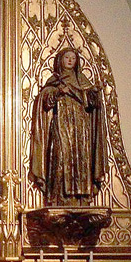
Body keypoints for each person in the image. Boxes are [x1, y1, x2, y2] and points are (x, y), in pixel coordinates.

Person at [29, 48, 108, 206]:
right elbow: (46, 100)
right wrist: (58, 91)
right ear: (61, 60)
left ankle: (81, 197)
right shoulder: (55, 80)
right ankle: (59, 196)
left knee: (81, 158)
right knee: (60, 157)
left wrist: (95, 91)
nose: (70, 60)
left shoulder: (81, 80)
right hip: (61, 124)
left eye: (73, 58)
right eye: (67, 57)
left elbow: (91, 102)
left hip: (80, 126)